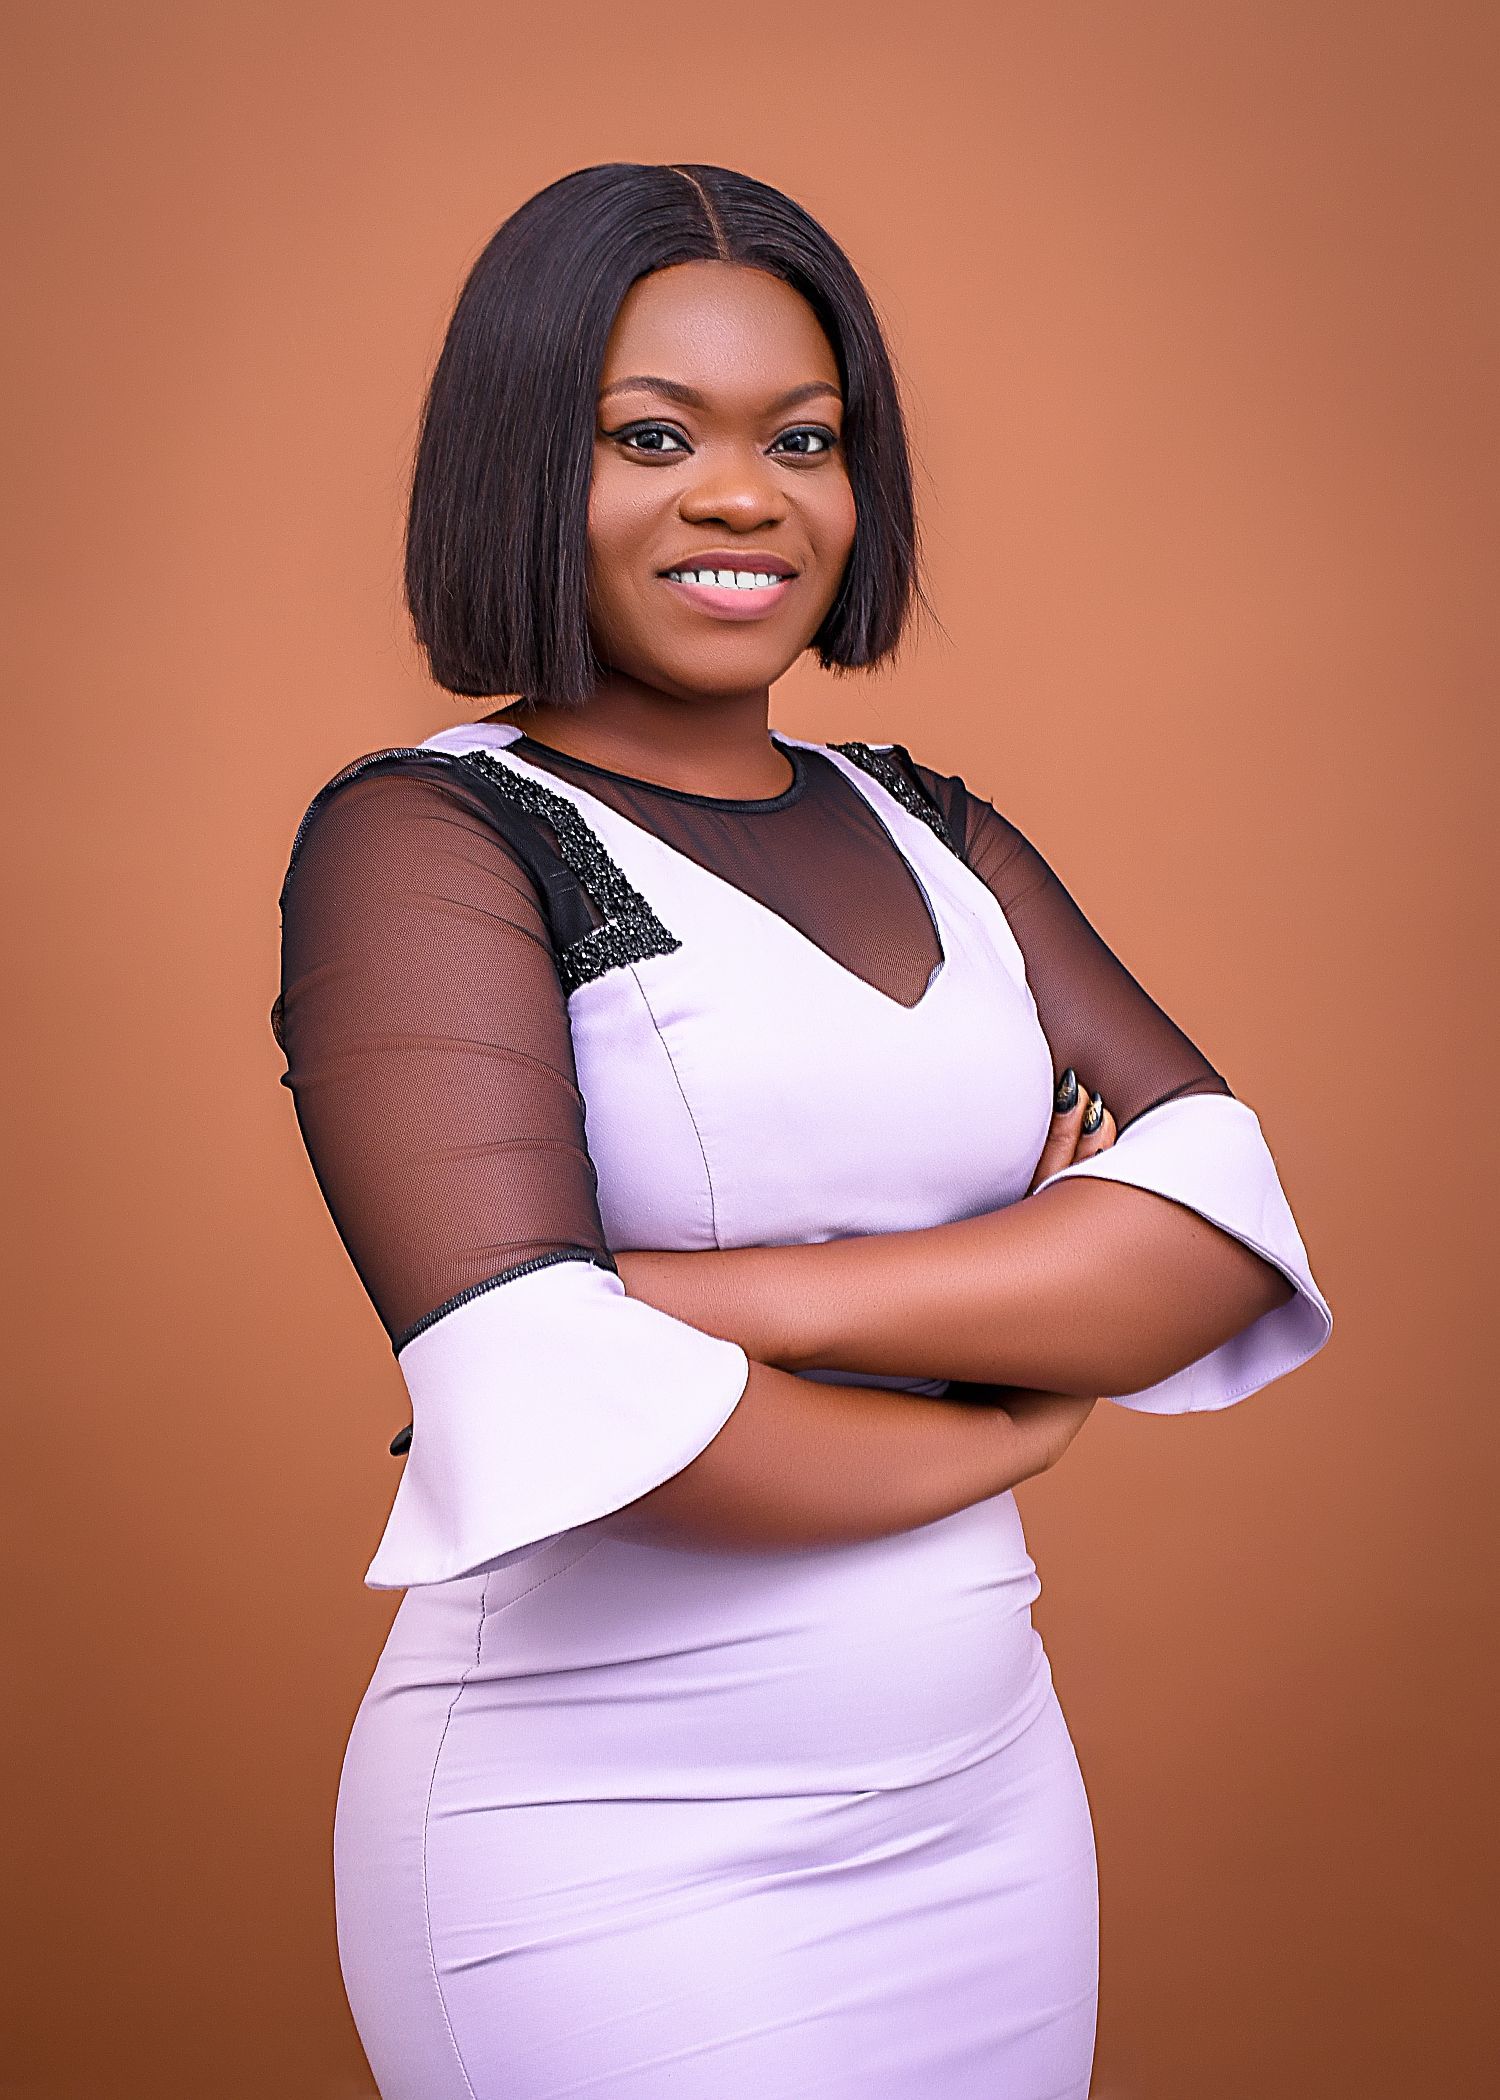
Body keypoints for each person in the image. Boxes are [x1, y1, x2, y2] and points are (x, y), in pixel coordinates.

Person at [272, 161, 1332, 2100]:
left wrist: (700, 1298)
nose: (747, 495)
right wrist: (1010, 1406)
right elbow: (548, 1404)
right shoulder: (425, 841)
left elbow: (1212, 1220)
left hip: (988, 1803)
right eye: (650, 436)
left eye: (807, 437)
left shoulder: (936, 826)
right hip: (601, 1843)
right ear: (522, 461)